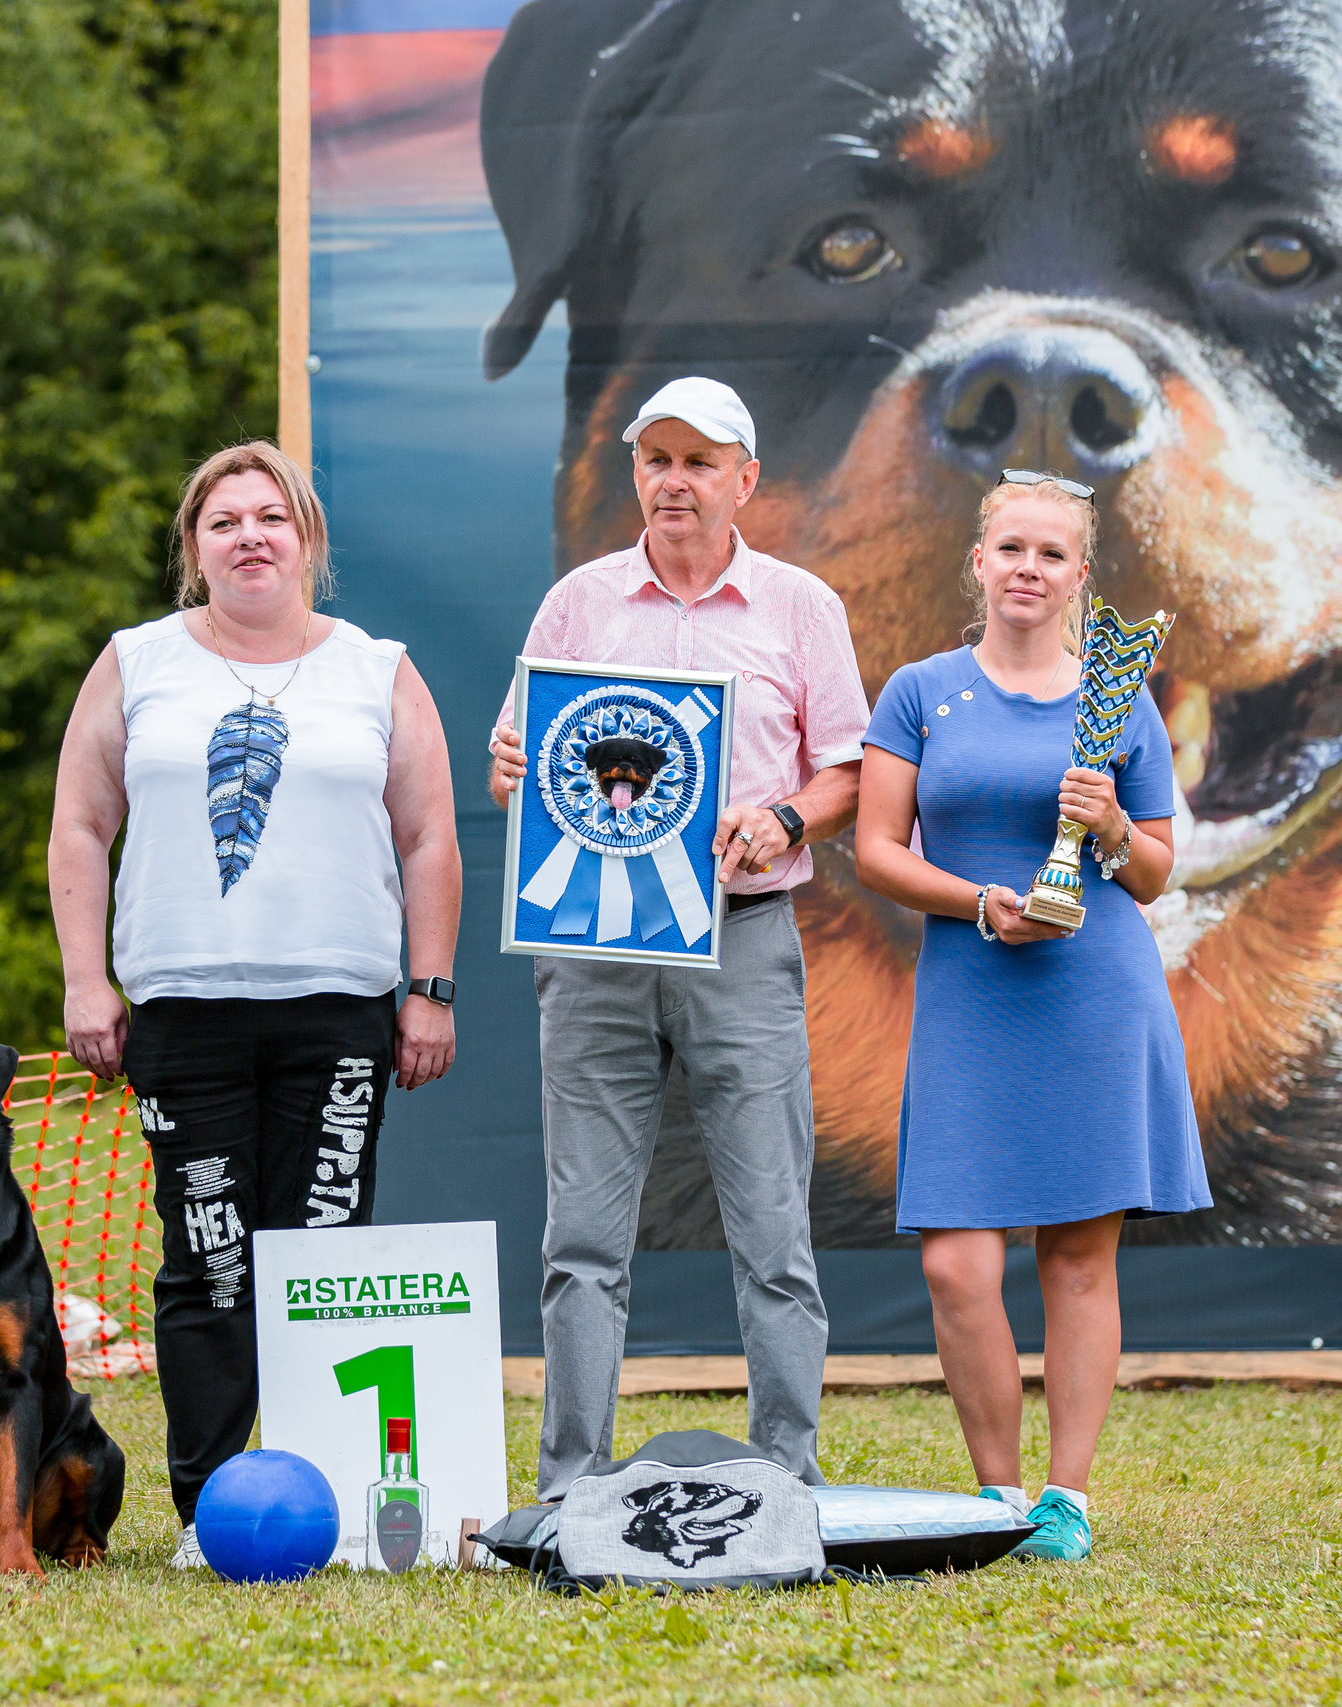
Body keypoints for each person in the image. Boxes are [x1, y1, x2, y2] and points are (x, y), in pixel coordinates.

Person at [47, 440, 462, 1567]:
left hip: (339, 1013)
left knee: (321, 1263)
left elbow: (429, 836)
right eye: (223, 521)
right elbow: (80, 824)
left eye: (270, 517)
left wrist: (428, 989)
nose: (249, 537)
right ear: (194, 547)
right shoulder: (136, 662)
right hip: (184, 1012)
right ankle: (209, 1513)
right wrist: (86, 979)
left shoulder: (376, 668)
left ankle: (324, 1497)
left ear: (307, 539)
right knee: (212, 1265)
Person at [488, 377, 868, 1499]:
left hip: (744, 939)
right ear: (635, 473)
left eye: (699, 462)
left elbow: (847, 772)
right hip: (593, 950)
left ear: (745, 480)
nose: (674, 480)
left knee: (773, 1234)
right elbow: (516, 762)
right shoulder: (578, 604)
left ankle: (787, 1478)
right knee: (581, 1240)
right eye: (656, 459)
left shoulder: (801, 605)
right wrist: (510, 767)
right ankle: (569, 1486)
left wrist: (785, 818)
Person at [851, 469, 1212, 1562]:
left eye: (1052, 554)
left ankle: (1065, 1500)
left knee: (1078, 1261)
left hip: (1094, 994)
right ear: (978, 561)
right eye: (1011, 548)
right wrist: (977, 901)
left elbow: (1153, 872)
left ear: (1080, 577)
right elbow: (875, 852)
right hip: (970, 994)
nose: (1028, 568)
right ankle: (995, 1496)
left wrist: (1110, 827)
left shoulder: (1121, 697)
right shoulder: (919, 690)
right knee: (956, 1266)